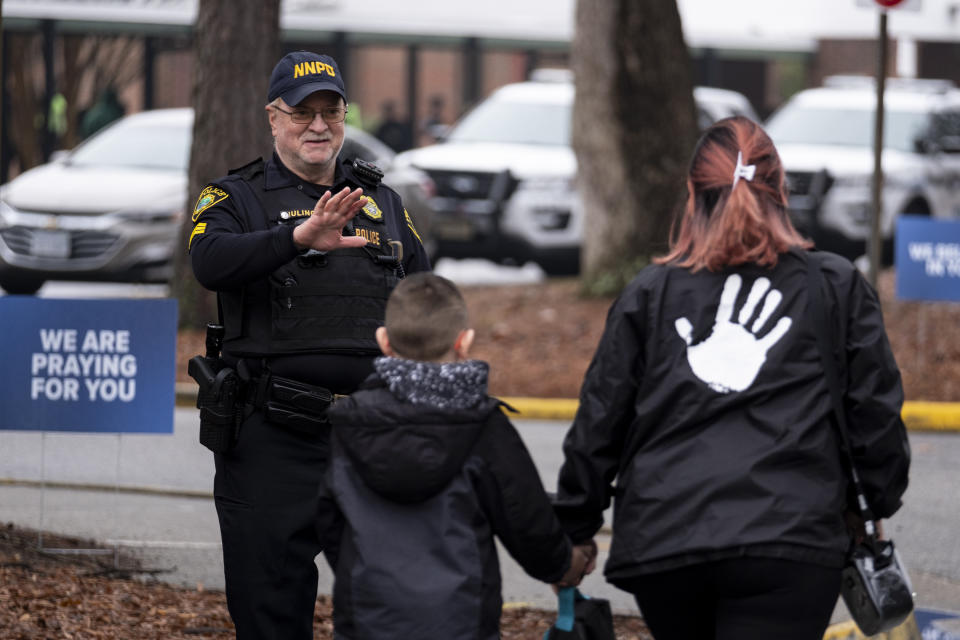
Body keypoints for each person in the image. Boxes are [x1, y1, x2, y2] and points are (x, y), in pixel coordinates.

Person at [552, 116, 910, 640]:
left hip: (666, 542)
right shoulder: (835, 286)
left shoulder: (650, 293)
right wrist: (875, 504)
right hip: (792, 540)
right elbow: (874, 416)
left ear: (693, 195)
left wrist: (574, 529)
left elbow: (600, 422)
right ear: (780, 189)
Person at [188, 50, 431, 640]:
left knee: (392, 610)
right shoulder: (232, 199)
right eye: (302, 113)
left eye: (331, 110)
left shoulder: (383, 204)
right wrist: (297, 237)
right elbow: (209, 261)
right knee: (271, 615)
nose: (318, 125)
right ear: (274, 118)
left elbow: (425, 294)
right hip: (271, 441)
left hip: (368, 443)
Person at [323, 272, 589, 639]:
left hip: (367, 614)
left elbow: (330, 520)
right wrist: (563, 565)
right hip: (461, 618)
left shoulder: (350, 422)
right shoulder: (482, 424)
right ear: (464, 342)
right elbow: (524, 517)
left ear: (384, 341)